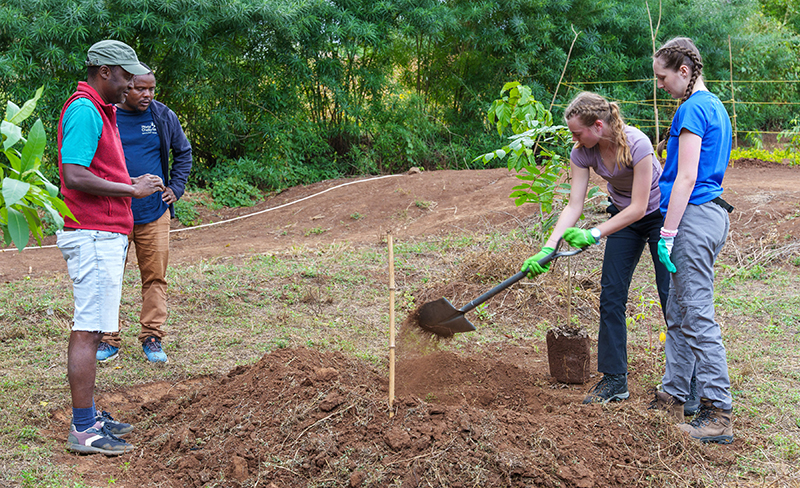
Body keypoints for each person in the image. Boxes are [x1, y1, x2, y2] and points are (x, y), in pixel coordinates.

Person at [521, 91, 682, 406]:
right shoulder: (582, 152)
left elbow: (639, 207)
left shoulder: (637, 144)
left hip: (658, 216)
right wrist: (548, 248)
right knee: (611, 296)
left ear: (597, 125)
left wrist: (594, 233)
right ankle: (614, 379)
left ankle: (685, 381)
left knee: (670, 296)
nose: (574, 139)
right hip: (623, 217)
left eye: (577, 132)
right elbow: (574, 205)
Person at [57, 39, 165, 455]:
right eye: (125, 77)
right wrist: (131, 190)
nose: (131, 85)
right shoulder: (85, 109)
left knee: (95, 326)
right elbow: (74, 174)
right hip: (93, 232)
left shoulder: (100, 108)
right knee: (88, 330)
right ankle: (84, 428)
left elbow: (92, 170)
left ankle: (89, 416)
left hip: (102, 231)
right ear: (104, 71)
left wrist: (127, 185)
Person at [650, 37, 734, 444]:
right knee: (679, 311)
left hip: (694, 217)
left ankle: (718, 412)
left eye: (663, 77)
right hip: (712, 214)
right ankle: (673, 393)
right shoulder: (715, 105)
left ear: (683, 71)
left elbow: (686, 175)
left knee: (697, 314)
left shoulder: (692, 108)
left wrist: (668, 232)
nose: (660, 85)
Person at [95, 64, 193, 364]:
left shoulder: (162, 115)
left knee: (155, 278)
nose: (147, 94)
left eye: (152, 89)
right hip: (114, 213)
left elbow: (183, 152)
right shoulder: (106, 115)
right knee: (109, 278)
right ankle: (108, 338)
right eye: (140, 88)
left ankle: (152, 336)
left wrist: (176, 188)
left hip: (154, 212)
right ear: (126, 86)